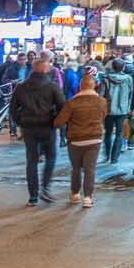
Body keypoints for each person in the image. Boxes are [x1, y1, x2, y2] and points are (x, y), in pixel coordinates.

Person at [12, 57, 67, 206]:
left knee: (32, 161)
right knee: (51, 157)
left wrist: (21, 122)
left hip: (28, 127)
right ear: (46, 70)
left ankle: (33, 196)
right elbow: (63, 107)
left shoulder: (21, 87)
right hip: (47, 126)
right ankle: (45, 186)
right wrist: (56, 123)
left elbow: (13, 110)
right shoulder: (52, 86)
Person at [55, 73, 108, 207]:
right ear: (94, 86)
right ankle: (88, 198)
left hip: (75, 141)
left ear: (80, 87)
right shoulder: (102, 102)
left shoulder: (71, 103)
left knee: (76, 168)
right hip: (94, 140)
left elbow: (59, 122)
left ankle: (74, 194)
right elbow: (103, 116)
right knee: (90, 169)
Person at [98, 58, 132, 164]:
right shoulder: (128, 79)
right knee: (119, 134)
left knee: (108, 133)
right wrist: (129, 107)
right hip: (123, 110)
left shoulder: (106, 79)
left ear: (112, 67)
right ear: (123, 67)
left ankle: (107, 155)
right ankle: (114, 158)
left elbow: (101, 96)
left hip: (109, 110)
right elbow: (131, 94)